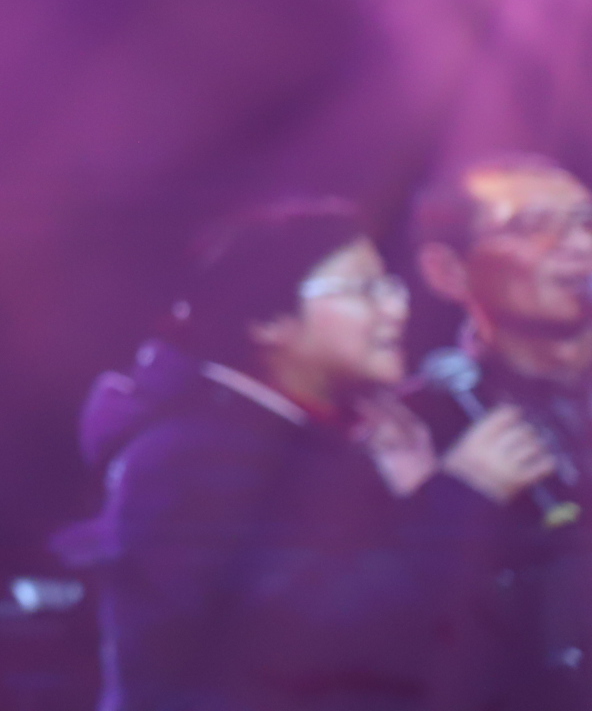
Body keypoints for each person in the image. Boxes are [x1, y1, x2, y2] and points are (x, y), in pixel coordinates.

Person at [66, 199, 556, 711]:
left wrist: (414, 496)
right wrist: (464, 493)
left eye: (391, 287)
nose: (396, 308)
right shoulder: (186, 459)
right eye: (364, 289)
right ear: (268, 321)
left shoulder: (326, 443)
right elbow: (308, 636)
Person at [409, 154, 592, 710]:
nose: (579, 245)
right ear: (448, 272)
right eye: (532, 227)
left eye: (586, 222)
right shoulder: (416, 427)